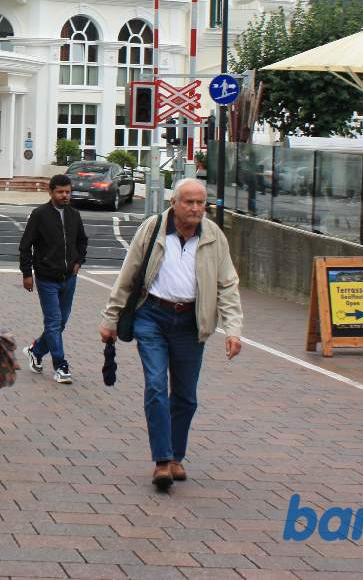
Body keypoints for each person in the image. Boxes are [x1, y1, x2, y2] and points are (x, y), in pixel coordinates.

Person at [99, 178, 243, 491]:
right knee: (155, 386)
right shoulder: (152, 229)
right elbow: (129, 274)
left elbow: (227, 284)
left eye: (200, 203)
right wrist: (110, 318)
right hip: (152, 316)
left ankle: (177, 455)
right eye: (189, 202)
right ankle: (162, 460)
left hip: (191, 322)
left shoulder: (214, 236)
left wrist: (233, 329)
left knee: (186, 397)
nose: (195, 208)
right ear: (174, 204)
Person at [17, 174, 88, 384]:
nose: (65, 196)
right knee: (54, 322)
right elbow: (25, 245)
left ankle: (36, 350)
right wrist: (27, 274)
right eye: (60, 192)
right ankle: (60, 365)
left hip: (69, 278)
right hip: (47, 278)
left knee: (60, 323)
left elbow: (82, 241)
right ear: (51, 192)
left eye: (67, 192)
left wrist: (78, 262)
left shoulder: (74, 215)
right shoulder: (40, 215)